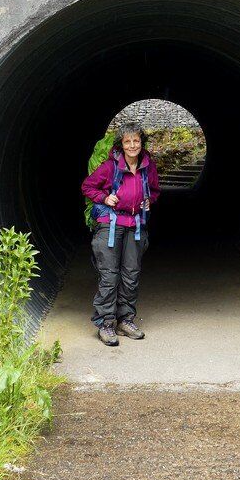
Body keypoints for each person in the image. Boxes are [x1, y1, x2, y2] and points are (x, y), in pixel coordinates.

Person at [80, 122, 160, 346]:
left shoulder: (148, 167)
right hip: (110, 224)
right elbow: (88, 186)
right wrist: (105, 198)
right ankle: (106, 324)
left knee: (131, 274)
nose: (132, 145)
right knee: (109, 275)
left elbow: (154, 190)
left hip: (135, 225)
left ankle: (126, 320)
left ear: (141, 143)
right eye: (128, 141)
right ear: (121, 145)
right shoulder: (109, 167)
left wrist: (148, 200)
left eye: (136, 140)